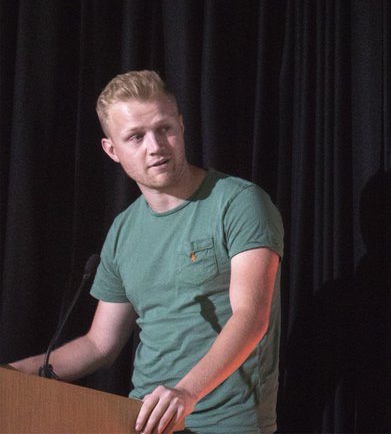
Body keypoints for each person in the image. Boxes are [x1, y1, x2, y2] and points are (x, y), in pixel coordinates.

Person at [7, 70, 284, 434]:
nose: (155, 146)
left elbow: (251, 317)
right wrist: (14, 374)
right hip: (144, 421)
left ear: (181, 125)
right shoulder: (123, 230)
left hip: (226, 423)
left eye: (164, 128)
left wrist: (186, 392)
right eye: (136, 137)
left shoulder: (239, 203)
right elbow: (99, 344)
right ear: (111, 150)